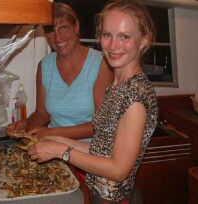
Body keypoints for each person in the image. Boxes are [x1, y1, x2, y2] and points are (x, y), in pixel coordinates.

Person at [27, 0, 158, 203]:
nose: (113, 46)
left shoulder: (135, 96)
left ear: (144, 41)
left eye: (124, 36)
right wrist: (57, 141)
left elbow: (118, 170)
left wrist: (60, 150)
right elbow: (101, 148)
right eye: (107, 35)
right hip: (95, 192)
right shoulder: (117, 87)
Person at [7, 3, 113, 141]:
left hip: (89, 153)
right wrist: (25, 128)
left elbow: (100, 125)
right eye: (51, 30)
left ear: (76, 27)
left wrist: (51, 133)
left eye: (63, 27)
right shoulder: (44, 66)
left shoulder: (101, 63)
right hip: (52, 150)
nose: (58, 37)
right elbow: (41, 114)